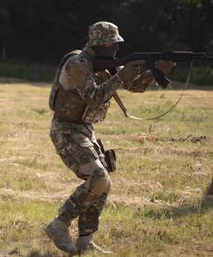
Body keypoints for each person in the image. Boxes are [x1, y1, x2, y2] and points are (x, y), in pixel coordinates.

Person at [44, 21, 176, 254]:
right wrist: (121, 75)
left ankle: (86, 241)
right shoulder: (77, 63)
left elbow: (135, 87)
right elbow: (93, 97)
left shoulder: (102, 65)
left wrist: (159, 70)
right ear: (102, 44)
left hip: (85, 129)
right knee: (98, 177)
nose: (116, 48)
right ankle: (59, 224)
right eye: (113, 44)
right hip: (66, 129)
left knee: (104, 184)